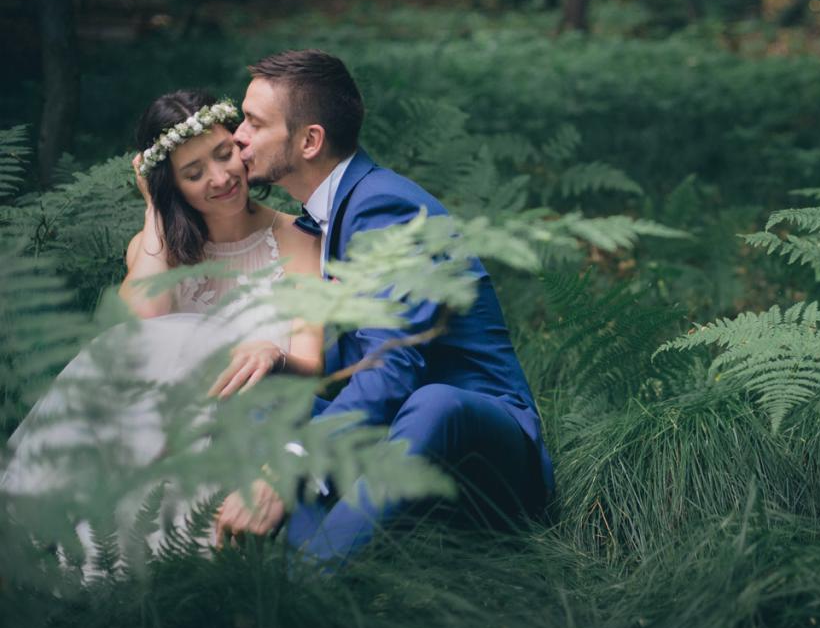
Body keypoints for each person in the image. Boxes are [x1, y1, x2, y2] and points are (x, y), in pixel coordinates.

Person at [222, 49, 552, 564]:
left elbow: (392, 364)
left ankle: (313, 586)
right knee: (269, 396)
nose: (237, 135)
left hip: (482, 448)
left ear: (310, 141)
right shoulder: (323, 216)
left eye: (253, 122)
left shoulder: (385, 207)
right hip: (394, 436)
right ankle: (294, 571)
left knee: (433, 402)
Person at [0, 89, 323, 575]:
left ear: (241, 144)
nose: (220, 178)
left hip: (244, 426)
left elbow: (312, 367)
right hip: (149, 427)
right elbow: (137, 332)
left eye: (224, 154)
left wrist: (272, 356)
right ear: (171, 186)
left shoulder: (297, 242)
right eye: (193, 174)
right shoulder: (157, 249)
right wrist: (154, 211)